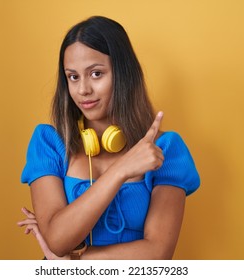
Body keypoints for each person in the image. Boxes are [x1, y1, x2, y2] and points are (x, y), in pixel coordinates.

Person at [17, 16, 200, 260]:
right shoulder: (50, 143)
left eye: (96, 74)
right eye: (73, 76)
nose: (83, 90)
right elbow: (58, 239)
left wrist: (72, 261)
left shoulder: (164, 149)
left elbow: (158, 253)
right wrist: (121, 170)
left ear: (124, 74)